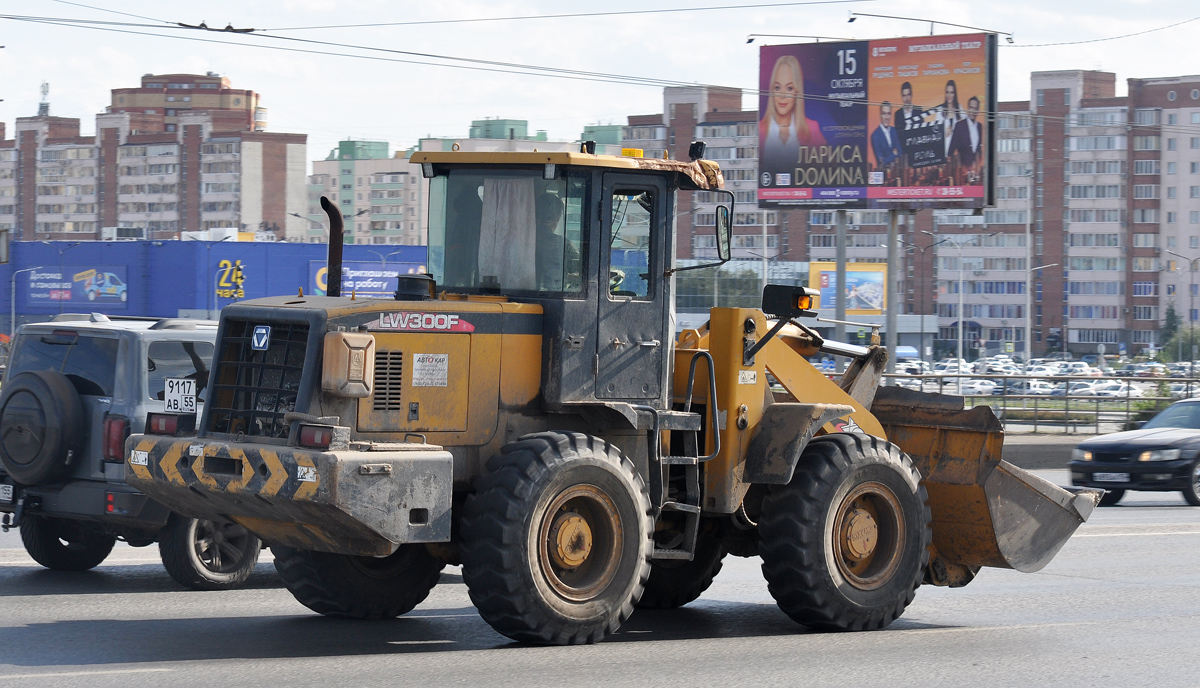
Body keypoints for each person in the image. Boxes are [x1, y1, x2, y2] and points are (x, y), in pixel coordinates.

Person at [759, 54, 826, 178]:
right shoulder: (760, 131)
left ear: (797, 92)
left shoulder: (811, 129)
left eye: (789, 88)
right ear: (772, 91)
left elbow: (829, 170)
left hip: (804, 196)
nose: (782, 95)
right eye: (777, 87)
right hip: (768, 195)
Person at [951, 96, 984, 174]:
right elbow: (952, 149)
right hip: (961, 171)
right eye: (971, 107)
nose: (973, 111)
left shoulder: (979, 126)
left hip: (975, 171)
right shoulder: (959, 125)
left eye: (975, 108)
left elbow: (979, 149)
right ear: (968, 109)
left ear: (978, 110)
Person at [871, 101, 901, 171]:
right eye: (884, 114)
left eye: (888, 114)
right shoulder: (875, 135)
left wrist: (888, 158)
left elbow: (900, 152)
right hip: (884, 175)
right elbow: (881, 162)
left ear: (891, 115)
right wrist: (894, 154)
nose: (886, 117)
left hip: (896, 172)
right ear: (880, 116)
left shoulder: (894, 131)